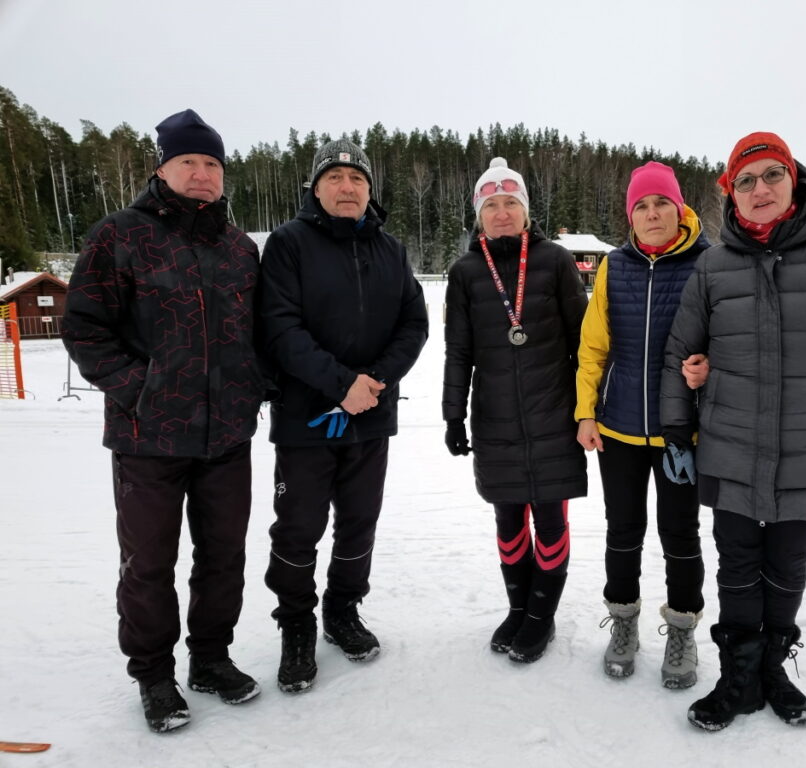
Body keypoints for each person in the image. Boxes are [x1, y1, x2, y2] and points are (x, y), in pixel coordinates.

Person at [661, 131, 806, 731]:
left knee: (789, 565)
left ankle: (772, 667)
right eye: (746, 180)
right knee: (737, 563)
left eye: (772, 175)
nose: (760, 188)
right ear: (730, 196)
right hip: (731, 444)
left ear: (794, 183)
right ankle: (738, 675)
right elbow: (680, 354)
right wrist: (675, 432)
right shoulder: (712, 266)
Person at [62, 109, 265, 733]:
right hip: (148, 437)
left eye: (212, 165)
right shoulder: (119, 235)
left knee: (223, 555)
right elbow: (83, 327)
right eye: (189, 162)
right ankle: (153, 675)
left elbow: (260, 332)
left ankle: (210, 658)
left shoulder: (238, 247)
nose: (201, 174)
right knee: (148, 562)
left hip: (227, 434)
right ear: (163, 167)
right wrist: (138, 390)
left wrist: (254, 390)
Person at [259, 138, 428, 693]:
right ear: (315, 187)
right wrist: (339, 384)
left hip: (370, 416)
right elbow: (280, 328)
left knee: (359, 521)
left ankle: (342, 609)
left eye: (357, 179)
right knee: (300, 525)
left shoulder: (390, 248)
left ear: (370, 190)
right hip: (306, 417)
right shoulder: (287, 244)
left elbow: (413, 325)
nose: (347, 187)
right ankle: (297, 622)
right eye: (335, 177)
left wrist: (372, 384)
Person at [442, 158, 589, 663]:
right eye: (491, 205)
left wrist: (588, 410)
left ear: (526, 211)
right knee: (508, 520)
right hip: (496, 419)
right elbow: (458, 349)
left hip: (555, 414)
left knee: (550, 518)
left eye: (511, 204)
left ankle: (541, 616)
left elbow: (585, 344)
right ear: (479, 214)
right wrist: (452, 414)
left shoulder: (555, 260)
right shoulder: (464, 272)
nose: (501, 213)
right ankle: (518, 606)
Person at [576, 161, 711, 687]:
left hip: (684, 431)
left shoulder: (709, 261)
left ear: (678, 208)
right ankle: (624, 623)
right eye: (641, 206)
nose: (652, 214)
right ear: (630, 215)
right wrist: (586, 411)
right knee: (623, 530)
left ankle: (682, 630)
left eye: (661, 203)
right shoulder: (616, 265)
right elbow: (593, 347)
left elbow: (727, 337)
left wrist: (710, 368)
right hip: (620, 428)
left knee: (681, 533)